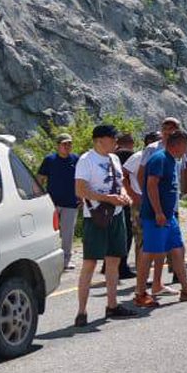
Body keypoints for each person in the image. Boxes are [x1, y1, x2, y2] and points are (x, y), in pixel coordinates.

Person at [74, 124, 138, 326]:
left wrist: (125, 196)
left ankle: (112, 305)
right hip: (95, 217)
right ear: (99, 140)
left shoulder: (115, 158)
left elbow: (120, 185)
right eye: (112, 138)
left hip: (117, 215)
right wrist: (106, 198)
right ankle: (81, 311)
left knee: (113, 261)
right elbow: (80, 190)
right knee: (90, 263)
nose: (116, 142)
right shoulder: (86, 160)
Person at [135, 130, 187, 306]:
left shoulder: (172, 160)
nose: (186, 149)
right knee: (149, 252)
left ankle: (185, 289)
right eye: (185, 145)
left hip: (169, 216)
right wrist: (158, 212)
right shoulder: (160, 159)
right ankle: (140, 293)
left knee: (177, 249)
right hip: (156, 216)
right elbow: (151, 186)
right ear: (177, 144)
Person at [37, 134, 80, 270]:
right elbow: (39, 179)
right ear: (58, 145)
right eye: (64, 144)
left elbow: (81, 179)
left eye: (69, 143)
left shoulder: (76, 159)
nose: (67, 146)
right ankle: (48, 261)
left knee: (67, 233)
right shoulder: (50, 160)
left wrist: (82, 196)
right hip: (52, 203)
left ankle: (66, 260)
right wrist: (39, 198)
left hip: (70, 202)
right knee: (50, 232)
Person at [122, 131, 161, 266]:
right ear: (150, 142)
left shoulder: (161, 156)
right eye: (158, 140)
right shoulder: (137, 157)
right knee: (141, 238)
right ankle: (141, 272)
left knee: (157, 236)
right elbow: (123, 175)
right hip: (140, 203)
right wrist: (132, 194)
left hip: (157, 201)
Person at [109, 133, 138, 281]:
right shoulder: (128, 155)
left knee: (114, 232)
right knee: (126, 233)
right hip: (125, 197)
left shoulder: (111, 155)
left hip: (110, 198)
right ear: (131, 143)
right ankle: (122, 267)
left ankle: (109, 265)